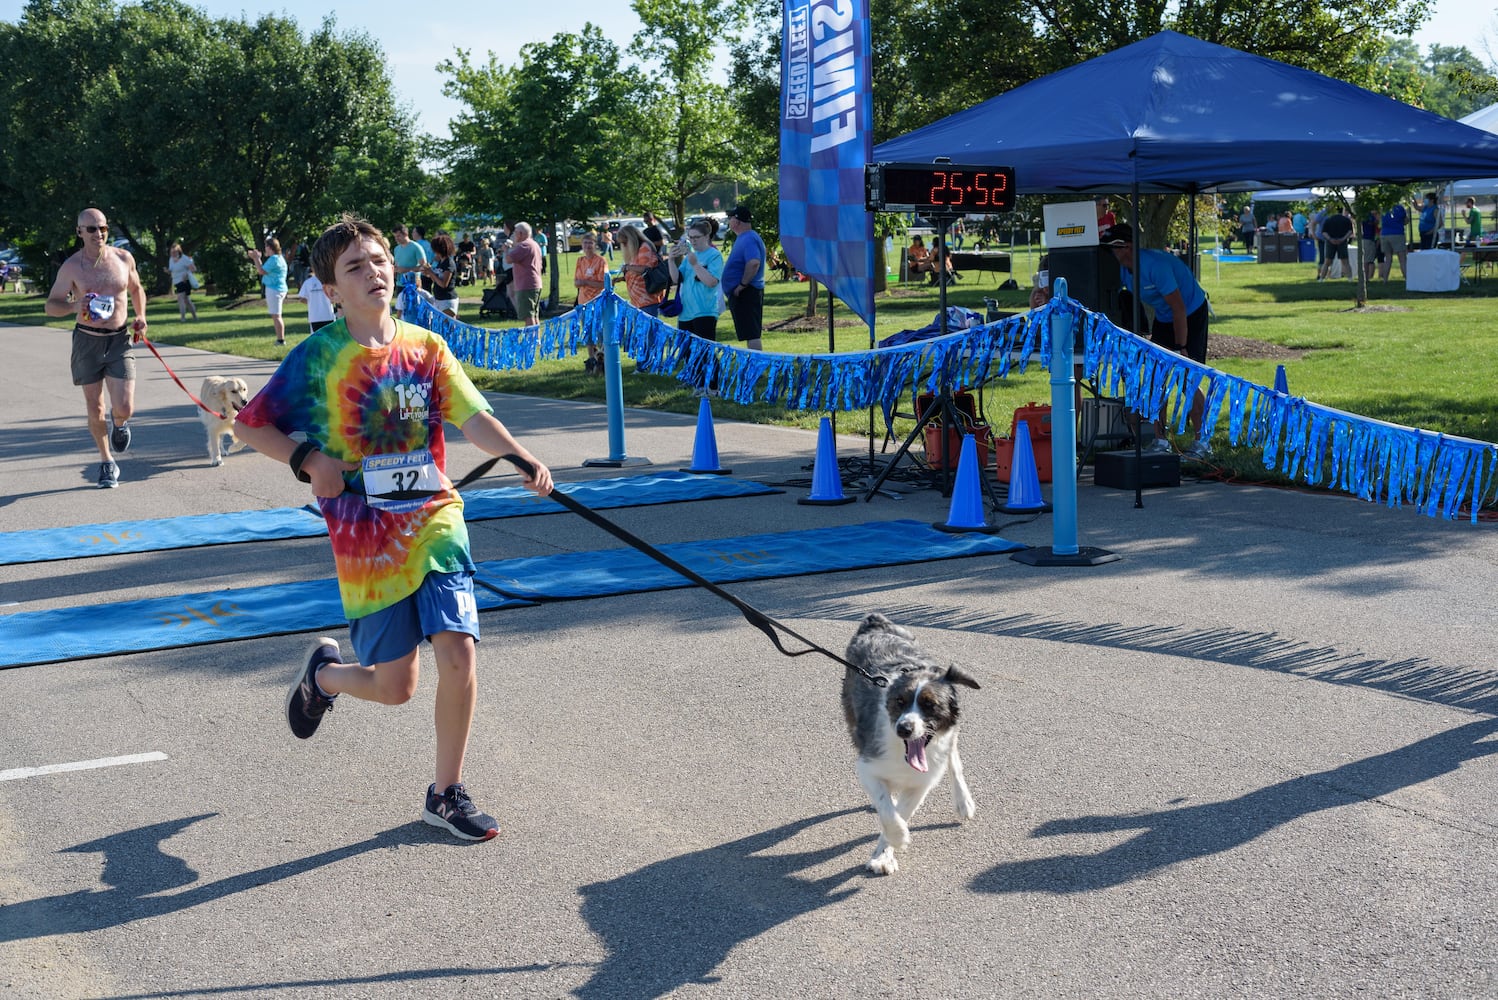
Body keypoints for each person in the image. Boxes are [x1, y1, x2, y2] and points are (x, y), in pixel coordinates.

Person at [233, 213, 553, 843]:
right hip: (365, 537)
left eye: (379, 259)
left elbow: (473, 417)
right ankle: (323, 676)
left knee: (458, 651)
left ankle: (446, 793)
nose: (374, 271)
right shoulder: (318, 358)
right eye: (355, 266)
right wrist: (307, 459)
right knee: (395, 686)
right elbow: (250, 425)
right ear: (331, 291)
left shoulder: (426, 348)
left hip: (435, 518)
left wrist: (522, 456)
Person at [43, 207, 148, 489]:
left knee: (124, 406)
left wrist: (141, 317)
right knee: (95, 406)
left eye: (102, 228)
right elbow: (51, 306)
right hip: (87, 341)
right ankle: (107, 462)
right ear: (79, 232)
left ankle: (121, 423)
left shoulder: (124, 258)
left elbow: (137, 289)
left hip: (119, 339)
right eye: (91, 229)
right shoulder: (72, 266)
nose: (98, 233)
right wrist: (74, 305)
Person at [1100, 223, 1211, 459]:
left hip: (1189, 313)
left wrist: (1181, 347)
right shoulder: (1121, 269)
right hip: (1164, 317)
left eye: (1114, 248)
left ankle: (1203, 441)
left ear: (1127, 247)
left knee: (1186, 378)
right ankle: (1160, 441)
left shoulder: (1155, 266)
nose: (1110, 253)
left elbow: (1179, 309)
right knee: (1154, 379)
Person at [667, 218, 726, 372]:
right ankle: (695, 382)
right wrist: (671, 261)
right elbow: (677, 279)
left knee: (706, 352)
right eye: (690, 237)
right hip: (686, 311)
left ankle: (712, 386)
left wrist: (695, 264)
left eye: (696, 237)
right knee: (687, 351)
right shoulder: (689, 257)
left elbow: (712, 281)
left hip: (705, 310)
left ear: (706, 237)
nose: (692, 241)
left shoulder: (714, 255)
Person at [722, 206, 766, 351]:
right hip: (744, 292)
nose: (729, 221)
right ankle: (754, 367)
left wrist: (742, 285)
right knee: (749, 333)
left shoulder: (748, 238)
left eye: (731, 218)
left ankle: (756, 368)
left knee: (752, 333)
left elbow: (754, 263)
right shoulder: (745, 237)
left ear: (737, 221)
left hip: (747, 292)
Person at [573, 232, 610, 374]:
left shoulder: (601, 261)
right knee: (588, 334)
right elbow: (576, 282)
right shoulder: (580, 261)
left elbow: (603, 283)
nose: (588, 246)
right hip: (583, 303)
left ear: (595, 245)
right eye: (585, 243)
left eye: (590, 243)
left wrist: (587, 282)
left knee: (600, 333)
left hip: (597, 303)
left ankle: (603, 362)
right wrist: (581, 283)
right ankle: (591, 360)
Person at [247, 237, 289, 345]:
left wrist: (255, 258)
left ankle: (281, 340)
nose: (265, 249)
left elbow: (261, 271)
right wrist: (258, 259)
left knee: (277, 316)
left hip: (274, 289)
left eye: (266, 246)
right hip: (278, 289)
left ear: (270, 247)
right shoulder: (279, 258)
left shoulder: (274, 259)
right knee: (276, 315)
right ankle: (280, 339)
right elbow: (264, 269)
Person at [617, 223, 665, 317]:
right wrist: (621, 279)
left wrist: (627, 267)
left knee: (647, 330)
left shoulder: (644, 248)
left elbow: (646, 270)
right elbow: (636, 274)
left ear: (631, 239)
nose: (624, 246)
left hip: (647, 300)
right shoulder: (636, 251)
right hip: (637, 301)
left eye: (625, 242)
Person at [506, 222, 543, 326]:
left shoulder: (524, 245)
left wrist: (506, 250)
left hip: (526, 285)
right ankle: (536, 340)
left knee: (528, 316)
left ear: (521, 233)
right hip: (534, 283)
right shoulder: (533, 244)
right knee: (534, 315)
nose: (514, 235)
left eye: (515, 233)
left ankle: (531, 340)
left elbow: (509, 259)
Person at [389, 225, 427, 316]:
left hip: (413, 284)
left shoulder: (416, 247)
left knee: (413, 312)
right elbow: (397, 265)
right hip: (399, 283)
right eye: (395, 236)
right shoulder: (397, 249)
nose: (396, 238)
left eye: (398, 236)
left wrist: (407, 270)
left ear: (405, 234)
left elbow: (424, 266)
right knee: (400, 311)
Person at [425, 233, 460, 319]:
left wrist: (431, 273)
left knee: (447, 327)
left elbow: (444, 284)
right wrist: (428, 273)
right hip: (439, 299)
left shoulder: (449, 263)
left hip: (447, 300)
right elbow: (437, 279)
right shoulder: (441, 262)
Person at [1317, 205, 1354, 281]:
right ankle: (1350, 278)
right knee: (1345, 261)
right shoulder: (1346, 220)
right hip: (1342, 242)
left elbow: (1324, 232)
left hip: (1330, 242)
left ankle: (1321, 278)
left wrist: (1330, 239)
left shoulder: (1328, 220)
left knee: (1327, 262)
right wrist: (1343, 239)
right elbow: (1350, 232)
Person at [167, 243, 199, 321]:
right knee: (187, 300)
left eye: (175, 252)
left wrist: (186, 274)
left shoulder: (184, 259)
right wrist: (167, 271)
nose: (173, 254)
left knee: (180, 298)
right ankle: (194, 316)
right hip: (177, 281)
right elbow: (171, 270)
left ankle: (183, 318)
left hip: (185, 281)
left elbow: (194, 269)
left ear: (179, 251)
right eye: (172, 252)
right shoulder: (171, 259)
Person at [1379, 202, 1409, 280]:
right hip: (1397, 234)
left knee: (1388, 258)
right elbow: (1405, 220)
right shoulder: (1399, 208)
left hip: (1384, 234)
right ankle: (1407, 279)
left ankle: (1385, 279)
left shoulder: (1383, 208)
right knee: (1402, 258)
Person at [1360, 209, 1380, 283]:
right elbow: (1376, 222)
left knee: (1368, 259)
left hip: (1366, 238)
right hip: (1369, 239)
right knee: (1369, 260)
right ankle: (1367, 277)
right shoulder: (1369, 216)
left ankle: (1367, 277)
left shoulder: (1363, 216)